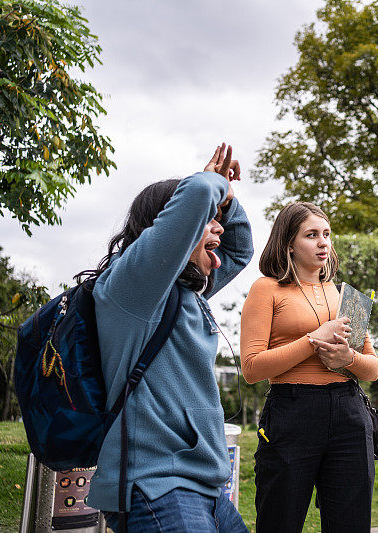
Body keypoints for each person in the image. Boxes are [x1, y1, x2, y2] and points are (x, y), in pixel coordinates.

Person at [84, 144, 254, 532]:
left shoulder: (185, 293)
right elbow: (194, 198)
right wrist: (211, 184)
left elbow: (241, 248)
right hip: (158, 485)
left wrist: (226, 201)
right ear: (170, 229)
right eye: (208, 221)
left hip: (207, 488)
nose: (219, 229)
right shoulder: (133, 288)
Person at [240, 201, 378, 533]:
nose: (323, 242)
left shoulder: (349, 295)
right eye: (311, 235)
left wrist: (348, 360)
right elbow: (251, 368)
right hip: (292, 413)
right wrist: (312, 340)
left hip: (349, 411)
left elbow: (372, 368)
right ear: (289, 243)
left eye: (327, 234)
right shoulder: (266, 288)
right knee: (280, 521)